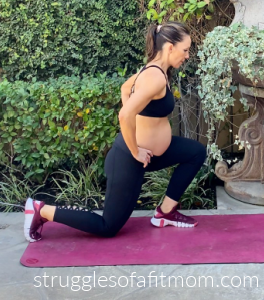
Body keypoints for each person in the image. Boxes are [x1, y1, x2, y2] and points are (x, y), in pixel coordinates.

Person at [24, 22, 207, 242]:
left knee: (195, 152)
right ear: (170, 47)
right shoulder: (154, 77)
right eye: (185, 50)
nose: (187, 55)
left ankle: (165, 212)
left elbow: (124, 89)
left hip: (149, 155)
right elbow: (124, 115)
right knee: (108, 226)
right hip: (129, 158)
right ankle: (40, 210)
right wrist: (135, 150)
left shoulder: (156, 70)